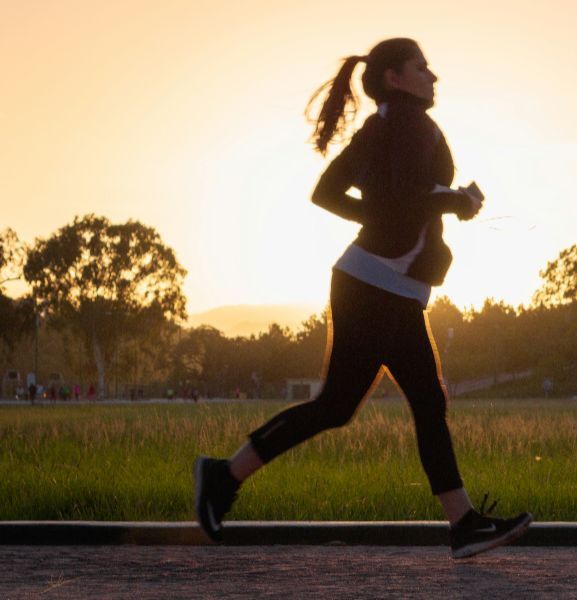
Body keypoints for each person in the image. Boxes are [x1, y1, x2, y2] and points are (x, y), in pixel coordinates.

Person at [194, 38, 531, 559]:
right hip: (374, 285)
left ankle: (462, 523)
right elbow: (401, 199)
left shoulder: (386, 126)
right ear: (395, 77)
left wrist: (393, 217)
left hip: (382, 284)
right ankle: (222, 475)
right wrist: (456, 200)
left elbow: (331, 193)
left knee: (394, 402)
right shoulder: (404, 126)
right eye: (422, 67)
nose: (433, 76)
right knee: (367, 403)